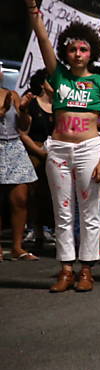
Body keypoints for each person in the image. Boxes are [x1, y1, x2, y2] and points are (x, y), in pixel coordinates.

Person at [20, 0, 100, 292]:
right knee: (62, 211)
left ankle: (86, 271)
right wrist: (33, 7)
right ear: (67, 52)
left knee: (89, 213)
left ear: (92, 52)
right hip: (59, 150)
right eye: (73, 49)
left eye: (83, 49)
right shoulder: (58, 74)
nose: (77, 54)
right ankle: (65, 269)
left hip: (90, 149)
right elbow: (43, 37)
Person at [0, 74, 38, 261]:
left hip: (14, 146)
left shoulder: (12, 94)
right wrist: (2, 110)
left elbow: (23, 126)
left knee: (20, 198)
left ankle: (17, 246)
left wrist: (22, 110)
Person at [17, 69, 55, 252]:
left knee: (51, 193)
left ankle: (49, 227)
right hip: (35, 149)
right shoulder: (32, 103)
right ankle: (35, 229)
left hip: (55, 150)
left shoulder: (59, 105)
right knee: (34, 191)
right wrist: (39, 151)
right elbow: (23, 133)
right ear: (42, 84)